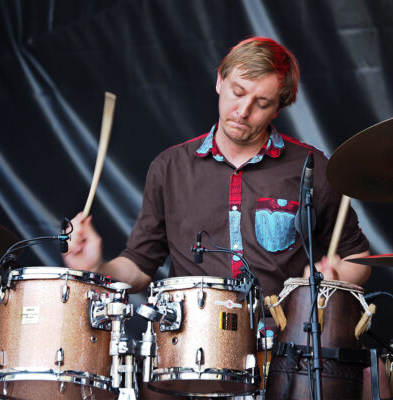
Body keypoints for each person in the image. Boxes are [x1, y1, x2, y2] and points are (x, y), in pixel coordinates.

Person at [63, 36, 371, 295]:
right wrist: (97, 268)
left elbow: (359, 258)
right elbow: (139, 267)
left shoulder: (311, 166)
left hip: (286, 344)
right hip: (193, 349)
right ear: (219, 81)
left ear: (279, 107)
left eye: (262, 103)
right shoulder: (170, 168)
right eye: (237, 92)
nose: (243, 110)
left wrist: (334, 277)